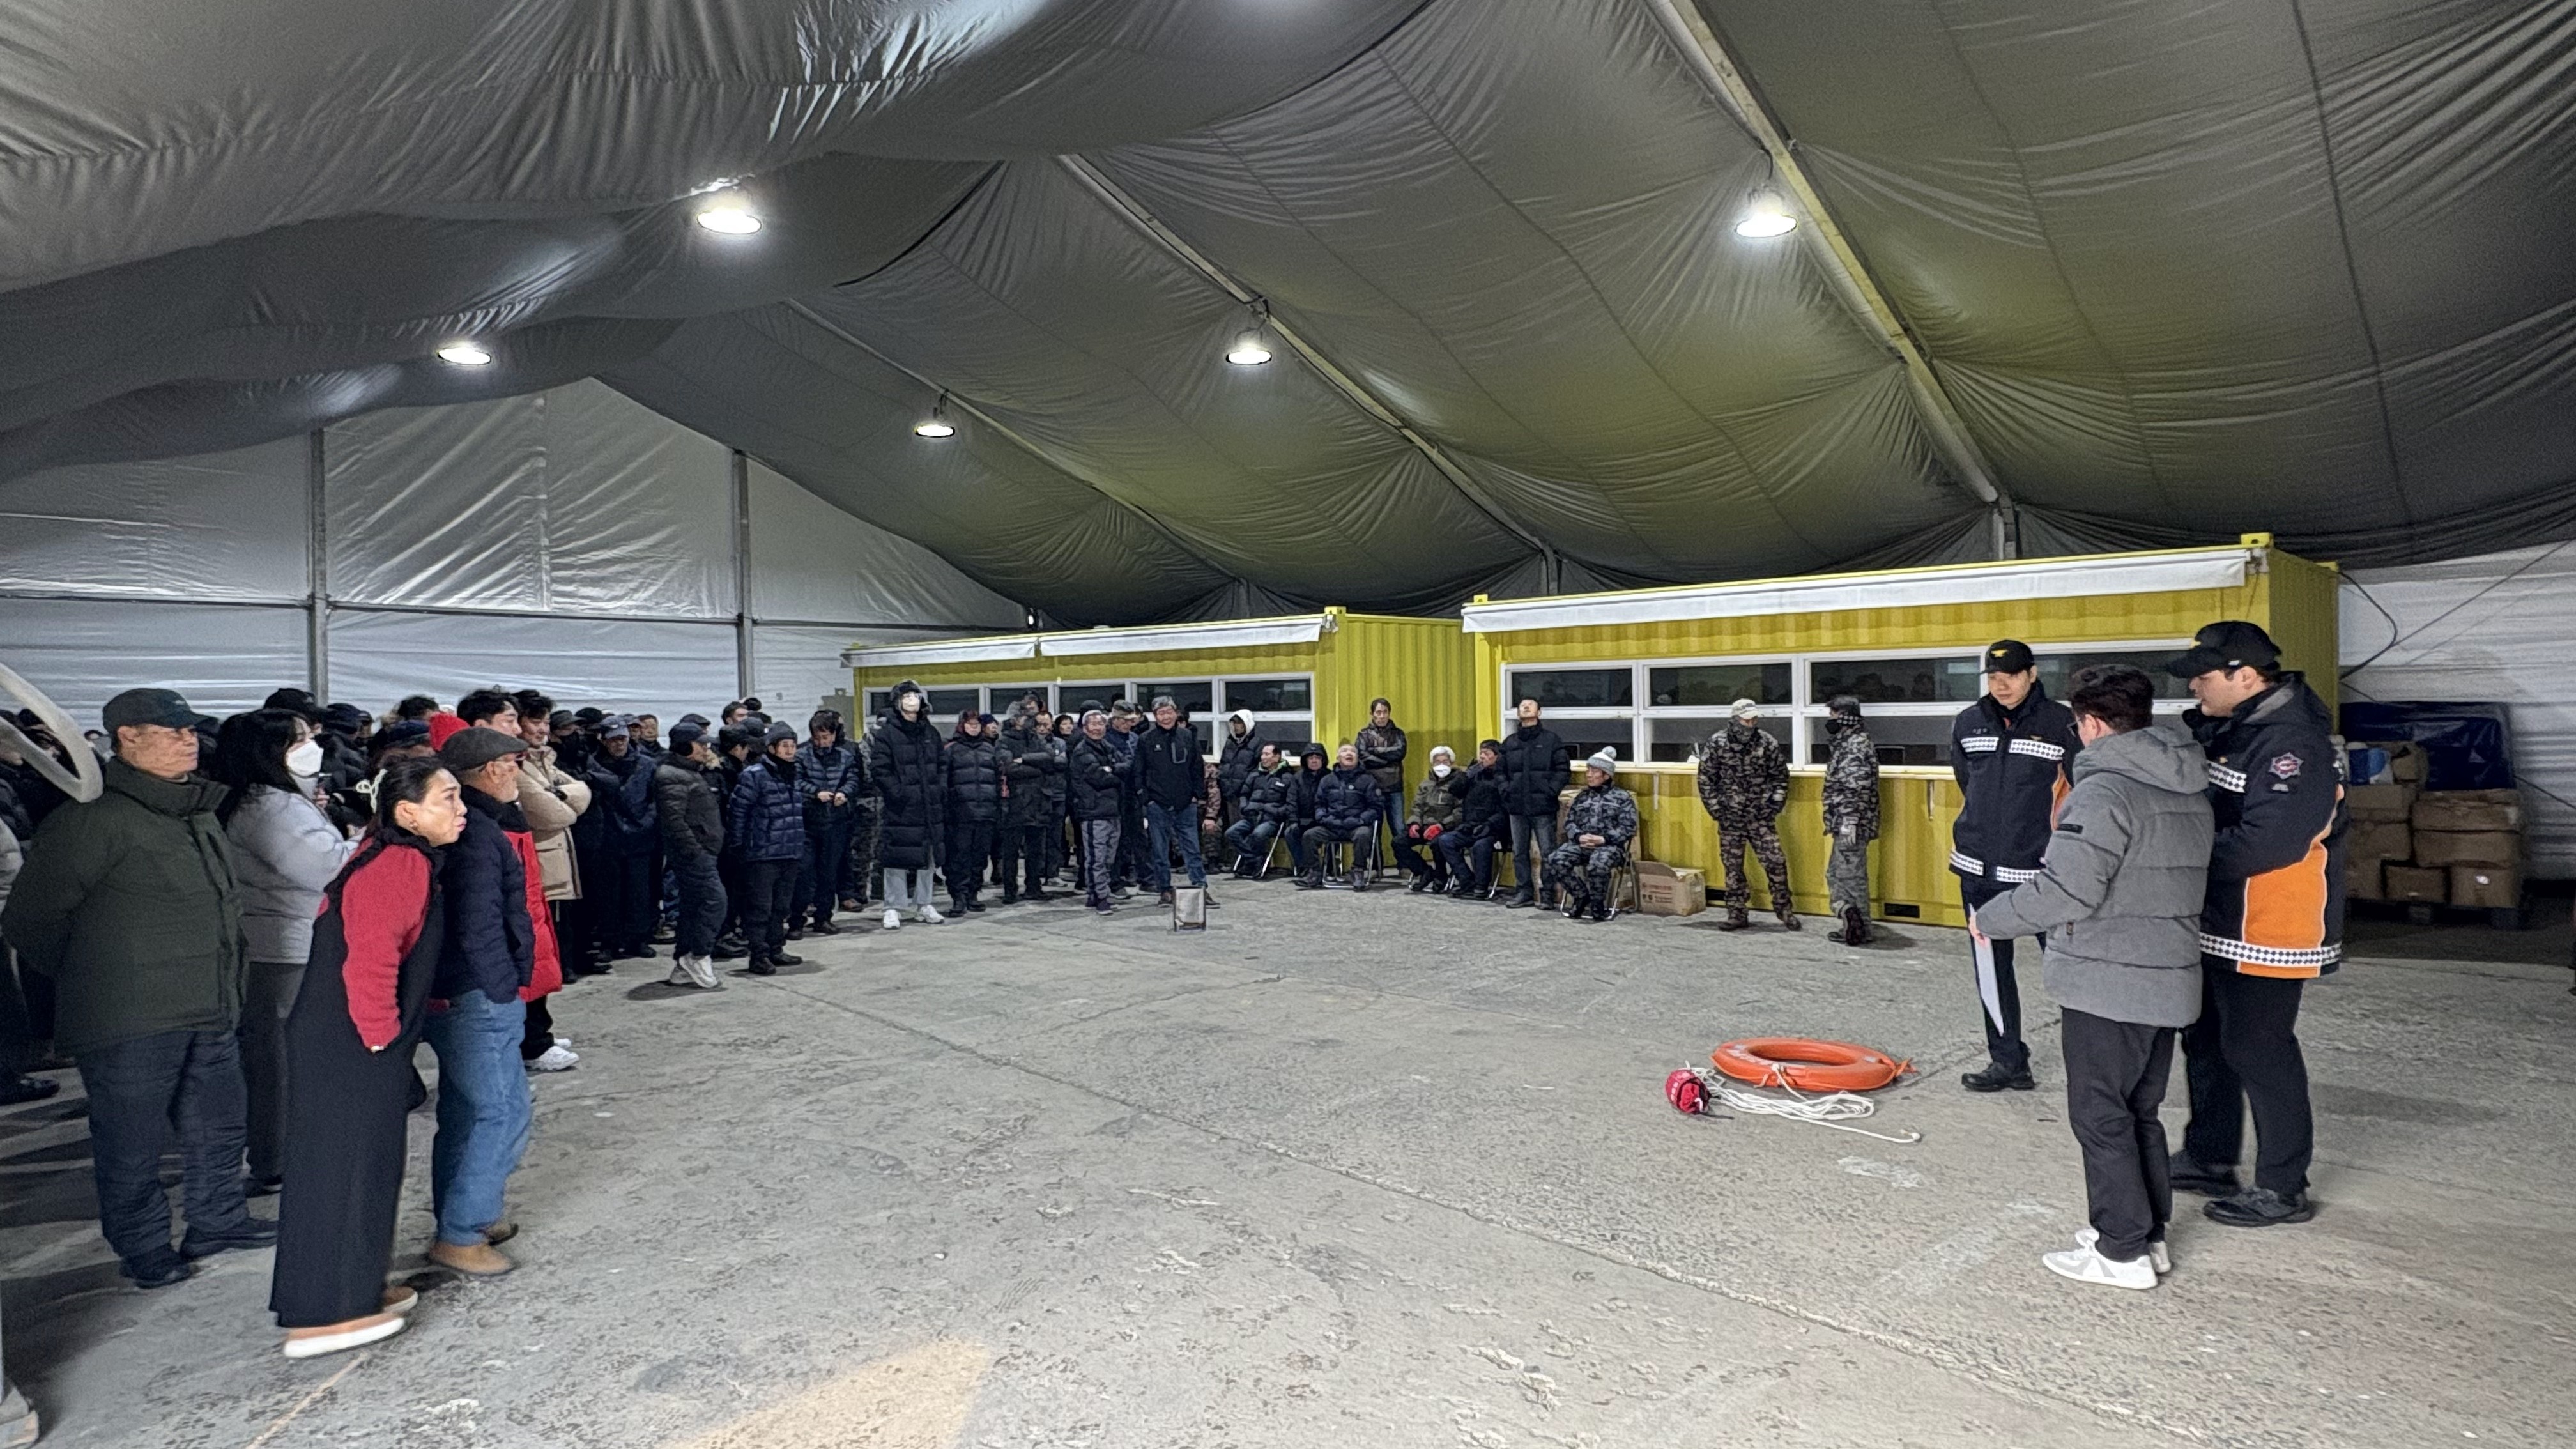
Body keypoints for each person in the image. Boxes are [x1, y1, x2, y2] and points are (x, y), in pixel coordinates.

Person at [2, 688, 269, 1290]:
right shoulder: (92, 822)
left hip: (211, 1003)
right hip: (130, 1019)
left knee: (219, 1127)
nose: (188, 741)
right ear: (127, 738)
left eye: (191, 731)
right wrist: (99, 975)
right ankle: (143, 1245)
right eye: (173, 731)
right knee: (132, 1142)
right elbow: (30, 921)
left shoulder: (195, 812)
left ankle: (218, 1219)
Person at [1963, 665, 2213, 1291]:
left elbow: (2067, 890)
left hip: (2110, 978)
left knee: (2100, 1116)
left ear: (2093, 724)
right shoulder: (2184, 784)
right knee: (2139, 1112)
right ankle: (2147, 1236)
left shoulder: (2104, 793)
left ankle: (2120, 1251)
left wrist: (1991, 919)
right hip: (2167, 973)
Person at [268, 754, 467, 1357]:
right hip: (351, 1038)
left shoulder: (393, 853)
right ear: (408, 812)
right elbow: (372, 956)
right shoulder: (400, 863)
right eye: (448, 799)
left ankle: (354, 1290)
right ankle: (325, 1316)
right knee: (345, 1171)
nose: (461, 810)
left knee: (359, 1165)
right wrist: (380, 1037)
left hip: (347, 1035)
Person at [2166, 621, 2347, 1228]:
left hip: (2269, 925)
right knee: (2206, 1040)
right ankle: (2209, 1156)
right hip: (2221, 917)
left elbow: (2272, 841)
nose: (2194, 687)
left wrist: (2180, 859)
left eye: (2203, 676)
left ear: (2244, 676)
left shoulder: (2294, 745)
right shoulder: (2235, 731)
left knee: (2259, 1049)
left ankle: (2282, 1185)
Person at [213, 707, 357, 1196]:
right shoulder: (272, 808)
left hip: (283, 938)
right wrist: (369, 842)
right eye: (299, 740)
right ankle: (280, 1156)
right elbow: (328, 869)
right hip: (285, 944)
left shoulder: (271, 802)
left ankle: (286, 1151)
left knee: (281, 1056)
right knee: (283, 1059)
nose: (312, 747)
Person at [424, 725, 545, 1275]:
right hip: (477, 993)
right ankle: (462, 1231)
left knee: (465, 1110)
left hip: (460, 991)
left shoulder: (469, 825)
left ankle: (464, 1210)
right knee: (501, 1112)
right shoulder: (475, 834)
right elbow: (479, 925)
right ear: (494, 770)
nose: (518, 773)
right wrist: (501, 986)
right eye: (513, 764)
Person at [1951, 640, 2083, 1092]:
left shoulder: (2062, 724)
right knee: (1991, 972)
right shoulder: (1969, 722)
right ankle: (2007, 1062)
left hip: (2042, 875)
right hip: (1978, 871)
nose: (2001, 684)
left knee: (2068, 969)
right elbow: (1967, 781)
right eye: (1993, 676)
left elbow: (2082, 792)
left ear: (2033, 674)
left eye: (2010, 676)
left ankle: (2091, 1066)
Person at [512, 698, 595, 977]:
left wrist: (558, 795)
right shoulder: (518, 765)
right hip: (540, 855)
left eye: (546, 722)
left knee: (563, 919)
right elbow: (550, 814)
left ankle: (564, 966)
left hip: (559, 851)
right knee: (545, 923)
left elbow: (583, 792)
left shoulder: (545, 759)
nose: (543, 729)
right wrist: (564, 803)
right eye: (536, 722)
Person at [1698, 700, 1796, 931]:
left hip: (1761, 817)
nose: (1750, 724)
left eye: (1754, 719)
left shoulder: (1766, 742)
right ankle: (1737, 913)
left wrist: (1775, 804)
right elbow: (1705, 779)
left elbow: (1780, 777)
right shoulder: (1717, 743)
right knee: (1733, 868)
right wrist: (1717, 809)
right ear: (1735, 719)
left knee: (1775, 862)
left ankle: (1785, 910)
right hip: (1730, 818)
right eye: (1746, 720)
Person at [653, 724, 727, 989]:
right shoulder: (671, 775)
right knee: (714, 901)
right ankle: (698, 955)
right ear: (685, 747)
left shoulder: (690, 772)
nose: (706, 749)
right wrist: (695, 850)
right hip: (693, 855)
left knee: (694, 907)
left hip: (703, 851)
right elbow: (674, 821)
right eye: (701, 744)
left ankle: (684, 961)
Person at [729, 725, 808, 974]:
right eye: (785, 746)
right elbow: (738, 812)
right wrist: (738, 845)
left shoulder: (794, 773)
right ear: (771, 748)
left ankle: (776, 949)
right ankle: (758, 955)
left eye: (793, 746)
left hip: (790, 851)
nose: (790, 751)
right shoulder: (754, 775)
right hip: (762, 854)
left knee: (781, 907)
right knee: (760, 908)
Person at [871, 682, 948, 928]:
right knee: (897, 856)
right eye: (907, 696)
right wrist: (899, 793)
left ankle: (924, 903)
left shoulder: (930, 732)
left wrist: (939, 788)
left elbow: (942, 764)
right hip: (901, 806)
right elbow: (880, 770)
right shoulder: (887, 734)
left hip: (929, 805)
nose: (912, 700)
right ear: (897, 702)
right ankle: (893, 907)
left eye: (916, 695)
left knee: (928, 855)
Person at [591, 718, 660, 961]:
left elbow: (656, 799)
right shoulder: (593, 765)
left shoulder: (647, 765)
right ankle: (609, 941)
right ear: (603, 741)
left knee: (639, 892)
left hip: (640, 839)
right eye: (613, 740)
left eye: (622, 738)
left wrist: (647, 823)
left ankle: (638, 939)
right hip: (607, 839)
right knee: (609, 893)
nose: (619, 744)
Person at [1137, 696, 1215, 907]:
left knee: (1193, 849)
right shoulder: (1145, 739)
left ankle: (1200, 887)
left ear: (1176, 713)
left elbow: (1197, 767)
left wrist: (1196, 794)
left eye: (1169, 712)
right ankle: (1164, 890)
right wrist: (1147, 799)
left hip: (1186, 804)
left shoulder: (1187, 736)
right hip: (1157, 805)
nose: (1166, 717)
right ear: (1155, 716)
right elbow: (1139, 772)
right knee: (1160, 851)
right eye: (1161, 713)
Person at [1545, 751, 1640, 921]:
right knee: (1555, 859)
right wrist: (1579, 836)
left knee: (1598, 863)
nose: (1589, 775)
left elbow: (1629, 828)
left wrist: (1604, 839)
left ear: (1606, 775)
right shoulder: (1582, 797)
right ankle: (1581, 896)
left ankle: (1598, 905)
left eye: (1595, 771)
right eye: (1588, 770)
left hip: (1610, 847)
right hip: (1582, 844)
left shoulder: (1622, 798)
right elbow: (1570, 822)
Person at [1494, 700, 1570, 909]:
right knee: (1519, 852)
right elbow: (1500, 771)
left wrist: (1550, 791)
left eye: (1530, 705)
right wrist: (1507, 790)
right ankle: (1524, 892)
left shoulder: (1551, 740)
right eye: (1522, 705)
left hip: (1543, 806)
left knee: (1548, 852)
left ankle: (1547, 894)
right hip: (1516, 807)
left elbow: (1563, 770)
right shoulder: (1510, 742)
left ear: (1540, 712)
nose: (1526, 707)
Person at [795, 711, 863, 935]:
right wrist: (816, 793)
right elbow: (797, 781)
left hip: (836, 822)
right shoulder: (801, 756)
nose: (822, 742)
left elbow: (854, 780)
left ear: (834, 736)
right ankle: (796, 920)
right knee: (805, 872)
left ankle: (823, 918)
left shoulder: (845, 756)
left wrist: (844, 793)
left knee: (829, 873)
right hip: (808, 822)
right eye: (817, 738)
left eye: (825, 737)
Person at [1820, 695, 1880, 946]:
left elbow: (1857, 787)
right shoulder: (1848, 743)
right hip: (1847, 821)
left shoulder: (1854, 746)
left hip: (1850, 822)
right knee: (1839, 874)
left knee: (1850, 876)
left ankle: (1860, 927)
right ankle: (1851, 922)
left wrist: (1849, 821)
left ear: (1844, 716)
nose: (1830, 720)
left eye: (1833, 714)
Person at [996, 701, 1061, 904]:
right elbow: (1008, 768)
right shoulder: (1004, 740)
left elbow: (1051, 758)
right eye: (1026, 718)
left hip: (1038, 802)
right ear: (1016, 719)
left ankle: (1034, 887)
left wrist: (1023, 759)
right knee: (1011, 851)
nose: (1030, 722)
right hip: (1014, 803)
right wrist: (1038, 769)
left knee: (1036, 850)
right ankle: (1010, 890)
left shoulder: (1035, 738)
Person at [943, 711, 1002, 914]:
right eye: (970, 724)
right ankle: (958, 897)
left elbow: (997, 780)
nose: (974, 727)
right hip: (960, 815)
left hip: (986, 812)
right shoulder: (952, 750)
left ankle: (973, 894)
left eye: (977, 724)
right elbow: (944, 782)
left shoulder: (989, 750)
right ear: (962, 726)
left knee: (980, 858)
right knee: (959, 858)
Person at [1068, 710, 1126, 914]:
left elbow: (1126, 765)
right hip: (1093, 811)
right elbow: (1099, 778)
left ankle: (1097, 893)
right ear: (1085, 728)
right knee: (1096, 857)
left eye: (1100, 724)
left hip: (1113, 810)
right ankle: (1100, 897)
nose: (1097, 728)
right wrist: (1113, 772)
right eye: (1093, 724)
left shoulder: (1107, 747)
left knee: (1109, 857)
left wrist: (1112, 769)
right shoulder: (1082, 752)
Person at [1301, 744, 1382, 891]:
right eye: (1345, 751)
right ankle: (1315, 873)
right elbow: (1319, 805)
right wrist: (1325, 819)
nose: (1349, 754)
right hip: (1331, 825)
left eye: (1352, 752)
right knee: (1309, 835)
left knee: (1363, 834)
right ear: (1338, 758)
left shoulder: (1368, 780)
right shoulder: (1327, 780)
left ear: (1357, 757)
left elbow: (1375, 807)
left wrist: (1360, 820)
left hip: (1356, 825)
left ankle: (1358, 872)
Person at [1440, 741, 1510, 901]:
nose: (1482, 757)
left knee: (1481, 846)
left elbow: (1505, 809)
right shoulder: (1475, 775)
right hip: (1470, 825)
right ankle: (1466, 879)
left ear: (1497, 757)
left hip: (1493, 828)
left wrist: (1490, 825)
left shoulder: (1503, 777)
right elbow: (1454, 790)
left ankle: (1481, 885)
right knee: (1446, 841)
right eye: (1481, 753)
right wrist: (1466, 775)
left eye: (1487, 753)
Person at [1399, 744, 1468, 893]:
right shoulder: (1426, 784)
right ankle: (1425, 871)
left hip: (1446, 827)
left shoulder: (1458, 783)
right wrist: (1414, 823)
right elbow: (1417, 807)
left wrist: (1442, 826)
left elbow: (1460, 811)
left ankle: (1441, 876)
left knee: (1438, 843)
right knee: (1399, 842)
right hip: (1425, 825)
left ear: (1452, 763)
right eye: (1437, 762)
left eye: (1445, 762)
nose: (1441, 765)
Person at [1354, 698, 1409, 875]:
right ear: (1372, 714)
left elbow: (1400, 753)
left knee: (1399, 828)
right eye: (1378, 712)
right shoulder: (1363, 734)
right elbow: (1362, 755)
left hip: (1394, 787)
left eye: (1385, 712)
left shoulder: (1398, 733)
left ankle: (1404, 865)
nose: (1382, 716)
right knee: (1374, 829)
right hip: (1372, 789)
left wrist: (1375, 753)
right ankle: (1376, 867)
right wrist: (1387, 759)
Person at [1223, 744, 1296, 875]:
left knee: (1258, 834)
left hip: (1271, 819)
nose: (1263, 758)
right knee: (1231, 833)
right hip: (1251, 816)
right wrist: (1244, 807)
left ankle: (1252, 863)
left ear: (1277, 757)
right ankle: (1254, 859)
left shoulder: (1287, 777)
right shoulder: (1255, 774)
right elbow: (1244, 794)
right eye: (1262, 754)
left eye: (1267, 754)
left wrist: (1278, 812)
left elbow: (1291, 802)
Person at [1287, 742, 1329, 877]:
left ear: (1323, 760)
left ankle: (1328, 867)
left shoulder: (1330, 777)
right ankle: (1304, 867)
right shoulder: (1297, 778)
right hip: (1303, 820)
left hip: (1324, 821)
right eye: (1311, 758)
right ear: (1305, 760)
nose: (1314, 761)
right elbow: (1292, 801)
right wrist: (1294, 821)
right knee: (1290, 833)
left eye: (1318, 757)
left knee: (1330, 832)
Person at [1216, 709, 1265, 826]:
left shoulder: (1258, 743)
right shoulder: (1230, 742)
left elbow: (1259, 769)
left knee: (1244, 827)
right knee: (1230, 828)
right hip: (1228, 793)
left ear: (1247, 723)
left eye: (1239, 723)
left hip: (1246, 795)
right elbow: (1224, 763)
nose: (1236, 726)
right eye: (1234, 723)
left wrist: (1247, 787)